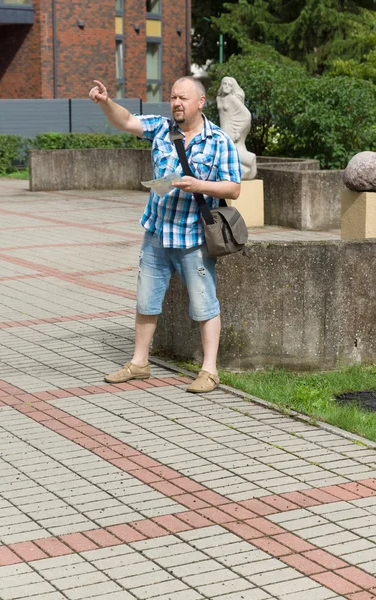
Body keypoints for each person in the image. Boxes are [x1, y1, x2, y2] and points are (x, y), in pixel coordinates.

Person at [88, 76, 241, 393]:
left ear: (200, 102)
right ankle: (139, 363)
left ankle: (209, 371)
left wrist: (198, 185)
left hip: (193, 238)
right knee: (146, 302)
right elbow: (127, 120)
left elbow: (233, 188)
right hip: (156, 234)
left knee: (204, 305)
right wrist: (106, 102)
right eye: (173, 97)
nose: (176, 103)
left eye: (183, 98)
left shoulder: (219, 141)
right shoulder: (161, 128)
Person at [216, 76, 257, 180]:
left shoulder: (232, 99)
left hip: (232, 130)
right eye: (224, 84)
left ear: (232, 88)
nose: (226, 86)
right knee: (226, 153)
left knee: (231, 151)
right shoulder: (218, 98)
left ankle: (250, 159)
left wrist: (238, 131)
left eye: (230, 85)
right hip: (223, 129)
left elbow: (247, 115)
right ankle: (241, 170)